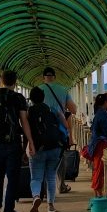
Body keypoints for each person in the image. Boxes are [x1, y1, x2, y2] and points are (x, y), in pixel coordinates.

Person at [0, 70, 35, 212]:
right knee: (12, 177)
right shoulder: (18, 98)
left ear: (1, 80)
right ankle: (9, 211)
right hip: (12, 143)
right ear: (15, 82)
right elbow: (24, 122)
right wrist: (30, 142)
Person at [38, 67, 77, 195]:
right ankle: (61, 185)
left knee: (42, 159)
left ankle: (42, 189)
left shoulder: (38, 90)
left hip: (40, 130)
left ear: (43, 78)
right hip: (59, 131)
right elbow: (73, 110)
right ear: (54, 77)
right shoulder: (62, 90)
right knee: (61, 158)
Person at [26, 86, 64, 212]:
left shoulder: (29, 112)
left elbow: (27, 132)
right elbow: (63, 123)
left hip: (38, 149)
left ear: (31, 98)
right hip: (54, 147)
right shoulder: (51, 109)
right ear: (43, 97)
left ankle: (36, 196)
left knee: (36, 178)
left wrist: (25, 148)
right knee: (51, 177)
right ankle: (50, 206)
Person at [88, 92, 107, 198]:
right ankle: (98, 195)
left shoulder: (99, 113)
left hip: (96, 144)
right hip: (101, 145)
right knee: (99, 169)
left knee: (97, 169)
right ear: (105, 103)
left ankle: (97, 194)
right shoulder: (103, 115)